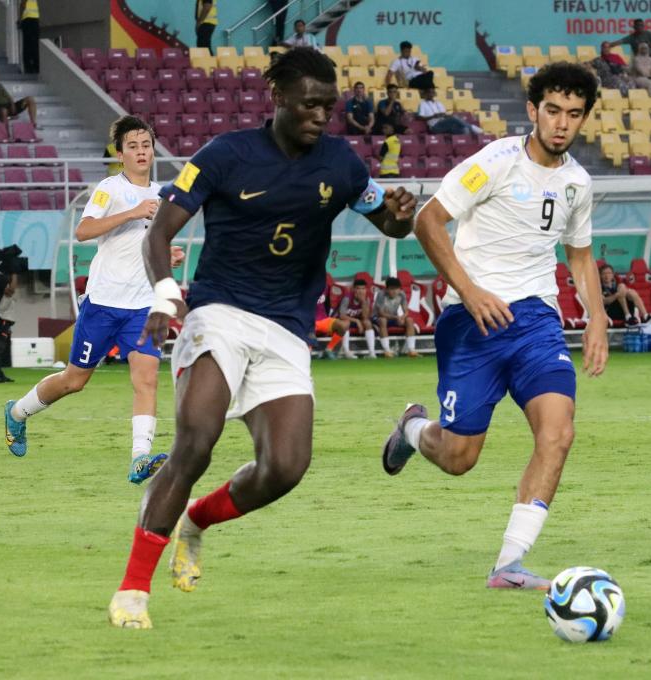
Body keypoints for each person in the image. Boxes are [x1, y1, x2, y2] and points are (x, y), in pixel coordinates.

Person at [105, 47, 417, 628]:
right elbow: (160, 232)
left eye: (330, 106)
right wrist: (165, 291)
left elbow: (390, 222)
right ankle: (132, 591)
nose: (322, 116)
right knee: (194, 442)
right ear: (278, 98)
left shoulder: (341, 164)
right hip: (218, 312)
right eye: (310, 105)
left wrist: (402, 212)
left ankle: (196, 522)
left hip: (286, 330)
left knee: (285, 468)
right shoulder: (225, 154)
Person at [380, 62, 605, 591]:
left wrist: (596, 318)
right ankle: (414, 428)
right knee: (459, 458)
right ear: (533, 110)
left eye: (574, 114)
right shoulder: (495, 162)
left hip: (536, 323)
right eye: (553, 110)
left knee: (558, 433)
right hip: (472, 320)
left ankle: (509, 565)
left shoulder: (578, 182)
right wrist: (469, 290)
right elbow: (427, 220)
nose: (562, 123)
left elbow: (580, 255)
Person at [3, 115, 184, 485]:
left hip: (143, 306)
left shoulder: (166, 193)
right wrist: (133, 212)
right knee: (74, 380)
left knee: (147, 378)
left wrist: (169, 254)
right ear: (121, 153)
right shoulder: (108, 189)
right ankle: (18, 413)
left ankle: (139, 458)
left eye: (146, 145)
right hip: (103, 303)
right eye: (132, 146)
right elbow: (84, 231)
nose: (140, 152)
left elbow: (151, 243)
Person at [374, 277, 421, 358]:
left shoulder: (401, 294)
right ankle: (387, 350)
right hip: (378, 318)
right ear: (387, 289)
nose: (395, 291)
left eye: (397, 289)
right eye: (392, 289)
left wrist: (402, 317)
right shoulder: (381, 294)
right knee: (383, 320)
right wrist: (396, 318)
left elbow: (406, 311)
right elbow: (380, 313)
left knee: (409, 320)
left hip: (393, 318)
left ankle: (411, 350)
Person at [337, 278, 378, 359]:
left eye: (363, 289)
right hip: (342, 321)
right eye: (358, 288)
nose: (361, 291)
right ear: (353, 289)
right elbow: (341, 315)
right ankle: (346, 351)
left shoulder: (366, 299)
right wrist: (357, 321)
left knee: (367, 323)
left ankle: (372, 353)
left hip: (356, 322)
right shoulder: (347, 298)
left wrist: (363, 302)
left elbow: (366, 317)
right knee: (346, 323)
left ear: (366, 290)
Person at [417, 87, 481, 135]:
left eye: (432, 92)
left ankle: (470, 138)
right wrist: (433, 116)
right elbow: (420, 117)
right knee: (454, 118)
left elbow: (444, 114)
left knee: (464, 130)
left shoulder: (438, 103)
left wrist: (445, 115)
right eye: (429, 92)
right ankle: (472, 127)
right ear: (425, 94)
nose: (431, 94)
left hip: (444, 123)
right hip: (435, 126)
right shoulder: (422, 104)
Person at [19, 0, 40, 75]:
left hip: (28, 19)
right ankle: (35, 67)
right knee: (34, 45)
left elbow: (23, 4)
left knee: (28, 45)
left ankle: (29, 68)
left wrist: (20, 19)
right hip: (34, 19)